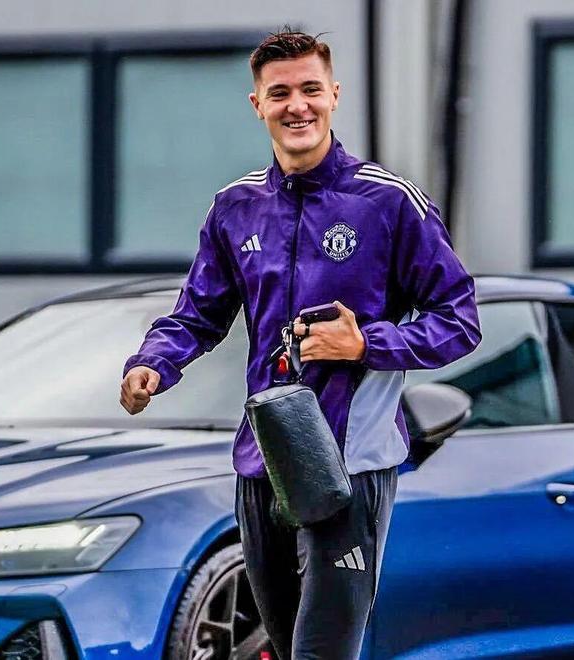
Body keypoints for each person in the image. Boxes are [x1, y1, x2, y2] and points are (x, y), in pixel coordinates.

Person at [120, 29, 481, 660]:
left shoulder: (388, 202)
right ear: (257, 104)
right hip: (263, 464)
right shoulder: (235, 207)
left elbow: (460, 319)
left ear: (334, 95)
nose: (298, 106)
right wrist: (153, 362)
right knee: (289, 650)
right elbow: (198, 314)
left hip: (350, 464)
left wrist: (364, 344)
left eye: (311, 90)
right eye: (280, 93)